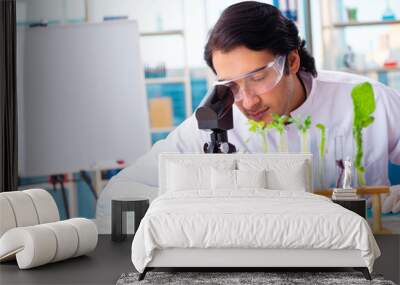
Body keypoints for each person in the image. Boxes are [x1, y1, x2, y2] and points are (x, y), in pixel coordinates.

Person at [96, 1, 400, 233]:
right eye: (231, 84)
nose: (247, 100)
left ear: (292, 61)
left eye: (258, 77)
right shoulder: (212, 125)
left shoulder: (367, 100)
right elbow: (113, 201)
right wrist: (196, 196)